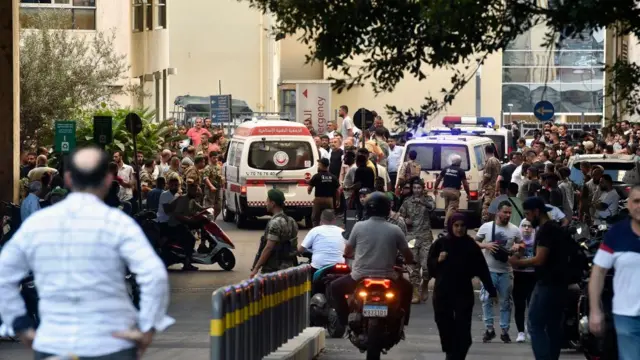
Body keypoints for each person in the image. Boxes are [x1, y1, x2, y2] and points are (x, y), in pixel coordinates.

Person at [0, 146, 173, 359]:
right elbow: (154, 275)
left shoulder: (38, 224)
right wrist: (148, 328)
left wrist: (20, 324)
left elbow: (4, 273)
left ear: (69, 179)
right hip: (112, 344)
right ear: (109, 180)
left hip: (55, 343)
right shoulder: (119, 224)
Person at [330, 192, 414, 327]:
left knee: (335, 287)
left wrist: (350, 255)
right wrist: (409, 260)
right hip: (388, 276)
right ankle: (403, 322)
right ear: (387, 209)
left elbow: (348, 251)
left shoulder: (358, 226)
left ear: (367, 209)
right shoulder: (395, 229)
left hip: (359, 276)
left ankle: (344, 321)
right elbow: (408, 255)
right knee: (408, 288)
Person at [428, 213, 498, 360]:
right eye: (456, 225)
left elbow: (482, 269)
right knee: (445, 325)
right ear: (451, 226)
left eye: (462, 226)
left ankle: (456, 356)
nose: (459, 229)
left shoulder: (470, 245)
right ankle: (450, 353)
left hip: (463, 292)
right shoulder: (441, 244)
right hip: (443, 292)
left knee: (463, 331)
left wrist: (491, 290)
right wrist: (438, 260)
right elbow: (430, 267)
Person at [509, 197, 569, 360]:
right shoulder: (555, 228)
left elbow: (539, 259)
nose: (527, 218)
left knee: (534, 324)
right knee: (553, 326)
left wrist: (518, 262)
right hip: (559, 283)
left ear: (537, 212)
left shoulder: (546, 230)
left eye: (528, 214)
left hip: (548, 284)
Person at [589, 185, 640, 360]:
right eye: (636, 201)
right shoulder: (616, 234)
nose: (639, 206)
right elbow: (598, 272)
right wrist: (595, 310)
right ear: (628, 205)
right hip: (626, 316)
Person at [475, 201, 522, 343]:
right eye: (505, 212)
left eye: (509, 213)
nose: (508, 215)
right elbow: (474, 242)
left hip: (506, 271)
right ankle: (489, 329)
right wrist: (486, 245)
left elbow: (522, 247)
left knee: (506, 302)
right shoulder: (486, 227)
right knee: (486, 300)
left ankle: (504, 331)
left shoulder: (515, 230)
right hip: (489, 270)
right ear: (498, 213)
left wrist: (517, 249)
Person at [399, 177, 435, 303]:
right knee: (413, 266)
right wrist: (405, 220)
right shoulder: (407, 201)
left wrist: (422, 202)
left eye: (419, 188)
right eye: (414, 188)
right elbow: (400, 216)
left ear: (423, 189)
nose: (416, 190)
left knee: (426, 266)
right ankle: (415, 292)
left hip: (425, 237)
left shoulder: (428, 199)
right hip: (412, 237)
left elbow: (432, 207)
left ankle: (425, 284)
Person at [250, 189, 299, 277]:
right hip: (290, 267)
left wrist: (256, 268)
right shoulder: (291, 221)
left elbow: (268, 247)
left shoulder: (275, 223)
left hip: (274, 269)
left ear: (273, 203)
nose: (266, 203)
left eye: (267, 200)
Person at [298, 209, 345, 287]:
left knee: (308, 284)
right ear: (334, 220)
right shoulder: (342, 231)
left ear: (321, 220)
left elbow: (301, 249)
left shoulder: (315, 231)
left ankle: (310, 296)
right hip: (340, 266)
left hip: (319, 266)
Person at [165, 182, 204, 271]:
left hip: (183, 223)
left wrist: (210, 208)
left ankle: (202, 245)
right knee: (191, 239)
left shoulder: (192, 200)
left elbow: (201, 209)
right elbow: (177, 215)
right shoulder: (183, 199)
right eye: (195, 191)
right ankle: (187, 263)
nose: (197, 192)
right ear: (189, 191)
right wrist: (188, 220)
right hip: (175, 225)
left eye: (197, 190)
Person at [513, 219, 537, 343]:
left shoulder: (537, 240)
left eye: (529, 226)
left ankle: (531, 328)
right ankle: (520, 332)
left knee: (532, 305)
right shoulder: (516, 240)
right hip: (518, 275)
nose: (527, 228)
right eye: (524, 226)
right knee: (519, 305)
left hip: (533, 275)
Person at [434, 154, 470, 226]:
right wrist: (468, 193)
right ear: (459, 163)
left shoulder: (446, 168)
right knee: (452, 208)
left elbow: (438, 179)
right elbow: (465, 184)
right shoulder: (460, 171)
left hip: (445, 191)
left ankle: (449, 223)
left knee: (447, 208)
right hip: (454, 192)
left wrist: (435, 188)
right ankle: (447, 224)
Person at [308, 158, 340, 227]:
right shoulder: (333, 177)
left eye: (319, 164)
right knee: (330, 216)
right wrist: (338, 200)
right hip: (329, 200)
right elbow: (338, 190)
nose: (318, 165)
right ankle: (329, 228)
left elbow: (309, 188)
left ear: (321, 165)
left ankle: (316, 229)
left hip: (318, 199)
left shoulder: (316, 176)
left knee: (315, 218)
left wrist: (309, 192)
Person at [482, 145, 502, 222]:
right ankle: (492, 222)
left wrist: (482, 186)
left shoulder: (490, 161)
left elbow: (487, 176)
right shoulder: (497, 161)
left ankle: (485, 223)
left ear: (485, 152)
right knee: (493, 206)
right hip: (495, 187)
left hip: (489, 187)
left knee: (486, 206)